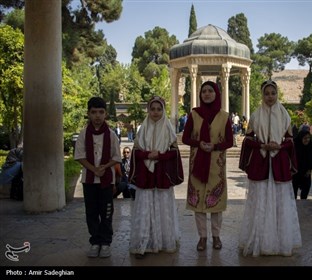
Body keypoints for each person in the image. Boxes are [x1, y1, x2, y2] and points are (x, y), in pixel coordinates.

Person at [238, 80, 301, 257]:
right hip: (262, 163)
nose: (270, 96)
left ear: (277, 94)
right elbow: (248, 139)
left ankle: (280, 241)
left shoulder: (285, 115)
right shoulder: (255, 115)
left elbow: (290, 141)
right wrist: (262, 145)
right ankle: (261, 240)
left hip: (279, 163)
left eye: (273, 93)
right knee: (261, 201)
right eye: (267, 93)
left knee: (279, 203)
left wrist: (279, 146)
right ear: (262, 95)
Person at [128, 96, 183, 259]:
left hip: (162, 173)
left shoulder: (168, 129)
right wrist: (147, 154)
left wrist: (159, 155)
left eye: (159, 109)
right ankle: (144, 242)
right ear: (148, 110)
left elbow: (174, 153)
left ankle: (163, 242)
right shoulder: (142, 129)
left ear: (163, 110)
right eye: (153, 109)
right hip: (146, 175)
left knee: (162, 206)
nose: (156, 112)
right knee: (145, 207)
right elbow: (135, 152)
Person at [182, 81, 233, 251]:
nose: (207, 94)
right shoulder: (194, 114)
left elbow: (230, 141)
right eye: (204, 91)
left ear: (216, 93)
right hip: (197, 163)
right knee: (198, 202)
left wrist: (215, 146)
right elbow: (185, 138)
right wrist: (199, 143)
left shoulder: (224, 116)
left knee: (215, 203)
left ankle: (216, 236)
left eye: (211, 90)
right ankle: (202, 238)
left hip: (216, 166)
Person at [74, 97, 122, 258]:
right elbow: (80, 156)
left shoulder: (111, 135)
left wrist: (104, 167)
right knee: (92, 212)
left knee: (107, 212)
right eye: (93, 112)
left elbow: (117, 157)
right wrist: (93, 169)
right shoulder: (83, 134)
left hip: (107, 180)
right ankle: (95, 242)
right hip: (89, 180)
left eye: (101, 112)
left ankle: (106, 242)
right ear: (88, 113)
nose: (97, 116)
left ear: (105, 114)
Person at [292, 130, 312, 199]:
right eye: (305, 138)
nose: (307, 140)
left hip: (306, 173)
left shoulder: (311, 146)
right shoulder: (295, 145)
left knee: (305, 191)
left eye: (308, 138)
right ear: (301, 138)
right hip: (295, 173)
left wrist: (310, 169)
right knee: (293, 193)